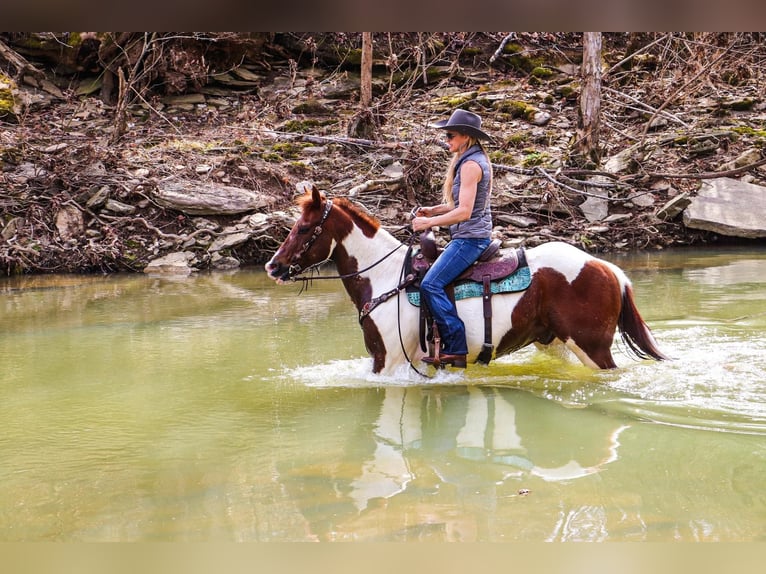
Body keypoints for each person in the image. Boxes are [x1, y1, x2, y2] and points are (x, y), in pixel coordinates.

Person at [412, 109, 494, 368]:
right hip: (469, 235)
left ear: (466, 137)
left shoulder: (470, 165)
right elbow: (457, 204)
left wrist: (429, 223)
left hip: (471, 239)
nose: (446, 140)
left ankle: (456, 346)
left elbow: (465, 211)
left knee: (430, 284)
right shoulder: (473, 159)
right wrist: (434, 210)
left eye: (450, 135)